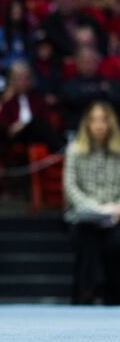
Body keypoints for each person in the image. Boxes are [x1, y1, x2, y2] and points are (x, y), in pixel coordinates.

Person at [64, 102, 120, 305]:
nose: (99, 125)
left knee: (116, 242)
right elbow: (71, 188)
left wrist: (116, 209)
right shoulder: (74, 150)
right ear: (87, 124)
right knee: (86, 240)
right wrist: (96, 210)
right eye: (94, 120)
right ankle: (83, 297)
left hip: (115, 216)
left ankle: (114, 298)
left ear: (110, 124)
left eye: (103, 120)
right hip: (83, 215)